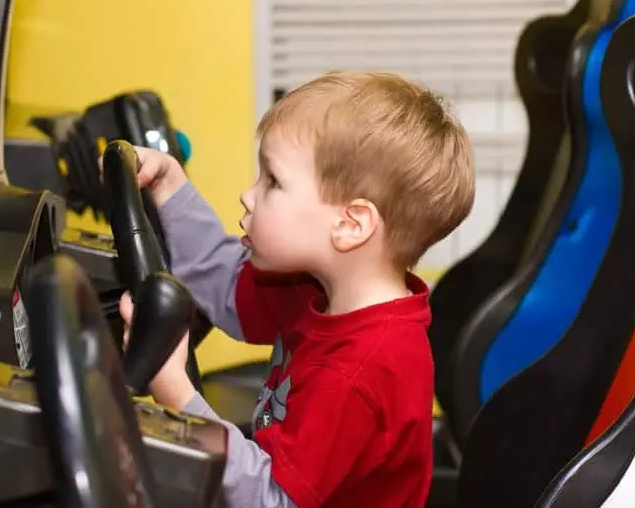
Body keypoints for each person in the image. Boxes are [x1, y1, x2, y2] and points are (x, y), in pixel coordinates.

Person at [119, 71, 475, 508]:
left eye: (273, 181)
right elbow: (225, 286)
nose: (248, 196)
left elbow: (271, 500)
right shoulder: (317, 288)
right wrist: (169, 186)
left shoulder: (359, 370)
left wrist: (172, 388)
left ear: (350, 225)